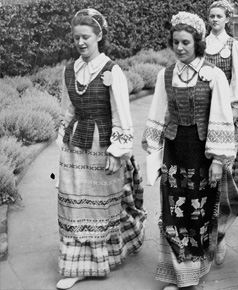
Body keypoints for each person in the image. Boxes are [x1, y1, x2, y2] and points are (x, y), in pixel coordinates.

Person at [141, 12, 236, 290]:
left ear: (197, 43)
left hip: (201, 154)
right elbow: (159, 111)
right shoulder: (166, 75)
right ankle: (179, 274)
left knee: (199, 212)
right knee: (173, 212)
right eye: (175, 42)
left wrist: (218, 159)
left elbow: (222, 115)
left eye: (185, 42)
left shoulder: (213, 75)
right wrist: (155, 152)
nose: (180, 48)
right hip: (174, 152)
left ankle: (194, 272)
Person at [56, 8, 145, 290]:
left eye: (86, 37)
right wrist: (62, 140)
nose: (81, 43)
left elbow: (121, 113)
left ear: (99, 36)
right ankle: (77, 264)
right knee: (73, 203)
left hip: (102, 143)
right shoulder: (70, 70)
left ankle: (102, 257)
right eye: (77, 38)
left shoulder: (111, 70)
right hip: (75, 145)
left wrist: (117, 151)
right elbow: (67, 109)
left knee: (99, 206)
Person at [205, 0, 238, 265]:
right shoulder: (201, 43)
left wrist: (235, 109)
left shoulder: (233, 45)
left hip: (224, 114)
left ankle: (221, 234)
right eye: (211, 16)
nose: (214, 20)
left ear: (227, 19)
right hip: (203, 111)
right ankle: (205, 236)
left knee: (223, 172)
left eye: (219, 16)